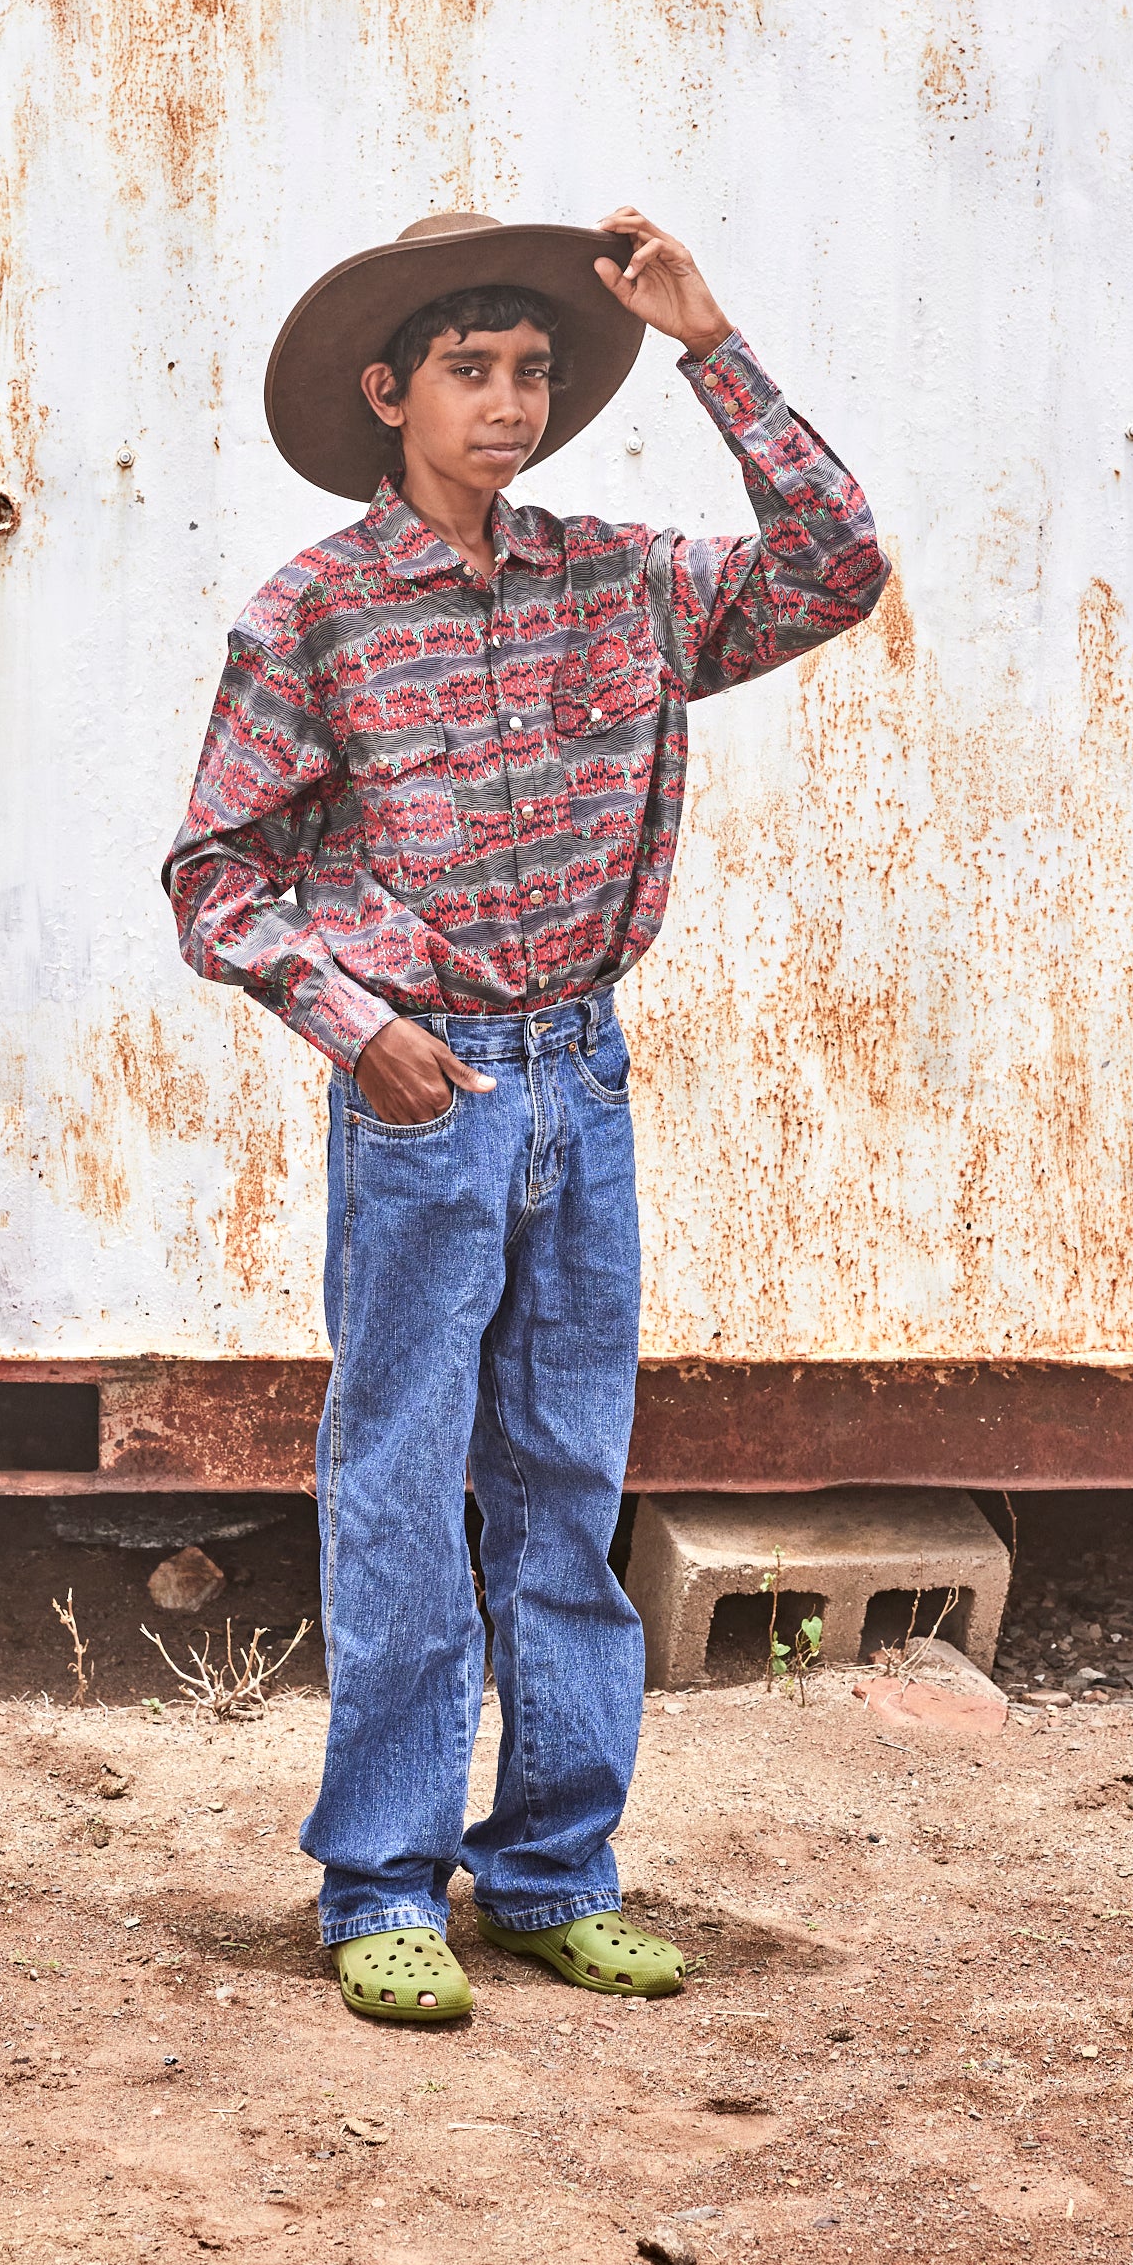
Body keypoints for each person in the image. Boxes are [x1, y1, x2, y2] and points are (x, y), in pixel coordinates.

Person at [166, 205, 888, 2022]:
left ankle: (555, 1868)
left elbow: (834, 565)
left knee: (565, 1482)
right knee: (401, 1484)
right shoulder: (314, 618)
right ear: (387, 392)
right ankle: (382, 1887)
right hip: (428, 1100)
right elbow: (215, 875)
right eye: (469, 372)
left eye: (534, 373)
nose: (506, 404)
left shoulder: (623, 582)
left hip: (582, 1075)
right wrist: (354, 1027)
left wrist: (712, 339)